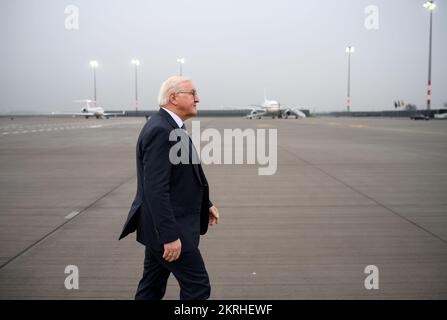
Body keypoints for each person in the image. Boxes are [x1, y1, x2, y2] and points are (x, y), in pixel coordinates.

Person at [119, 76, 219, 300]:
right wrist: (170, 236)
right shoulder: (161, 131)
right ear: (173, 97)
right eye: (192, 93)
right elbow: (155, 189)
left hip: (159, 227)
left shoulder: (171, 126)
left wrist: (206, 204)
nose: (198, 98)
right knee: (198, 287)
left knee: (151, 288)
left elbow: (180, 177)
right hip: (171, 229)